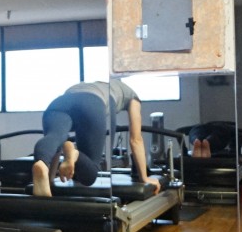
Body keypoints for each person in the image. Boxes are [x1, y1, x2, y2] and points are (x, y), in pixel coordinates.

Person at [31, 78, 161, 197]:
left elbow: (56, 149)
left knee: (54, 137)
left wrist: (49, 179)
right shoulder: (132, 96)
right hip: (92, 103)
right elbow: (136, 139)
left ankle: (41, 163)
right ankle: (74, 153)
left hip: (59, 102)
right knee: (90, 175)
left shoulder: (88, 85)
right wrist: (144, 178)